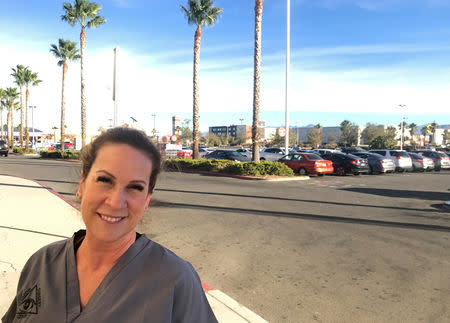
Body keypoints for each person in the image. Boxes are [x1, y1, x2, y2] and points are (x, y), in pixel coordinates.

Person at [2, 127, 217, 323]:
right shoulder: (41, 265)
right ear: (82, 185)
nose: (115, 202)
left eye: (135, 187)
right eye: (105, 180)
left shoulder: (175, 280)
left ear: (147, 200)